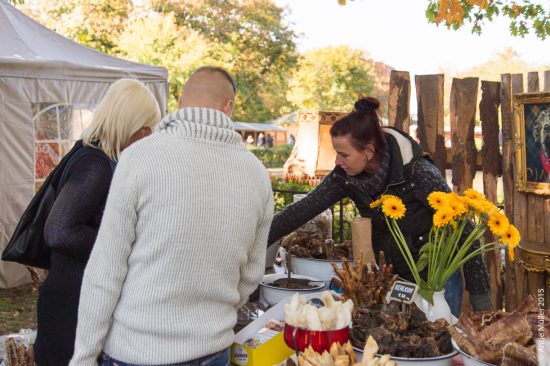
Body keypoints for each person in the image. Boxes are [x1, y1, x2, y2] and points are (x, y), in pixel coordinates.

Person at [69, 66, 274, 366]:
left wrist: (84, 356)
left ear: (180, 102)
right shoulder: (257, 174)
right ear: (228, 106)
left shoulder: (139, 157)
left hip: (136, 351)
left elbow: (106, 270)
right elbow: (252, 274)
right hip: (212, 349)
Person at [268, 96, 492, 315]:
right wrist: (254, 242)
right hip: (394, 279)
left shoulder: (418, 172)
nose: (337, 161)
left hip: (435, 279)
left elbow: (464, 227)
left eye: (343, 154)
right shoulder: (345, 177)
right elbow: (300, 210)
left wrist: (480, 297)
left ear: (368, 151)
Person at [34, 79, 161, 366]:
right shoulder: (95, 164)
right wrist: (120, 249)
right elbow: (60, 230)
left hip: (73, 299)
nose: (149, 134)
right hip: (72, 305)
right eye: (145, 127)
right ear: (127, 123)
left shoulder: (90, 152)